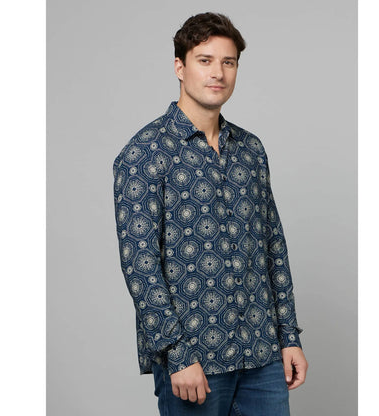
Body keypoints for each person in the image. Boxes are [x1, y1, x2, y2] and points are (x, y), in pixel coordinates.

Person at [112, 11, 308, 416]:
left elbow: (273, 247)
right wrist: (176, 353)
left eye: (228, 62)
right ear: (180, 67)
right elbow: (140, 265)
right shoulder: (144, 153)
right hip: (194, 361)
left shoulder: (251, 150)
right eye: (205, 60)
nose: (218, 72)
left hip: (262, 355)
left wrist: (288, 336)